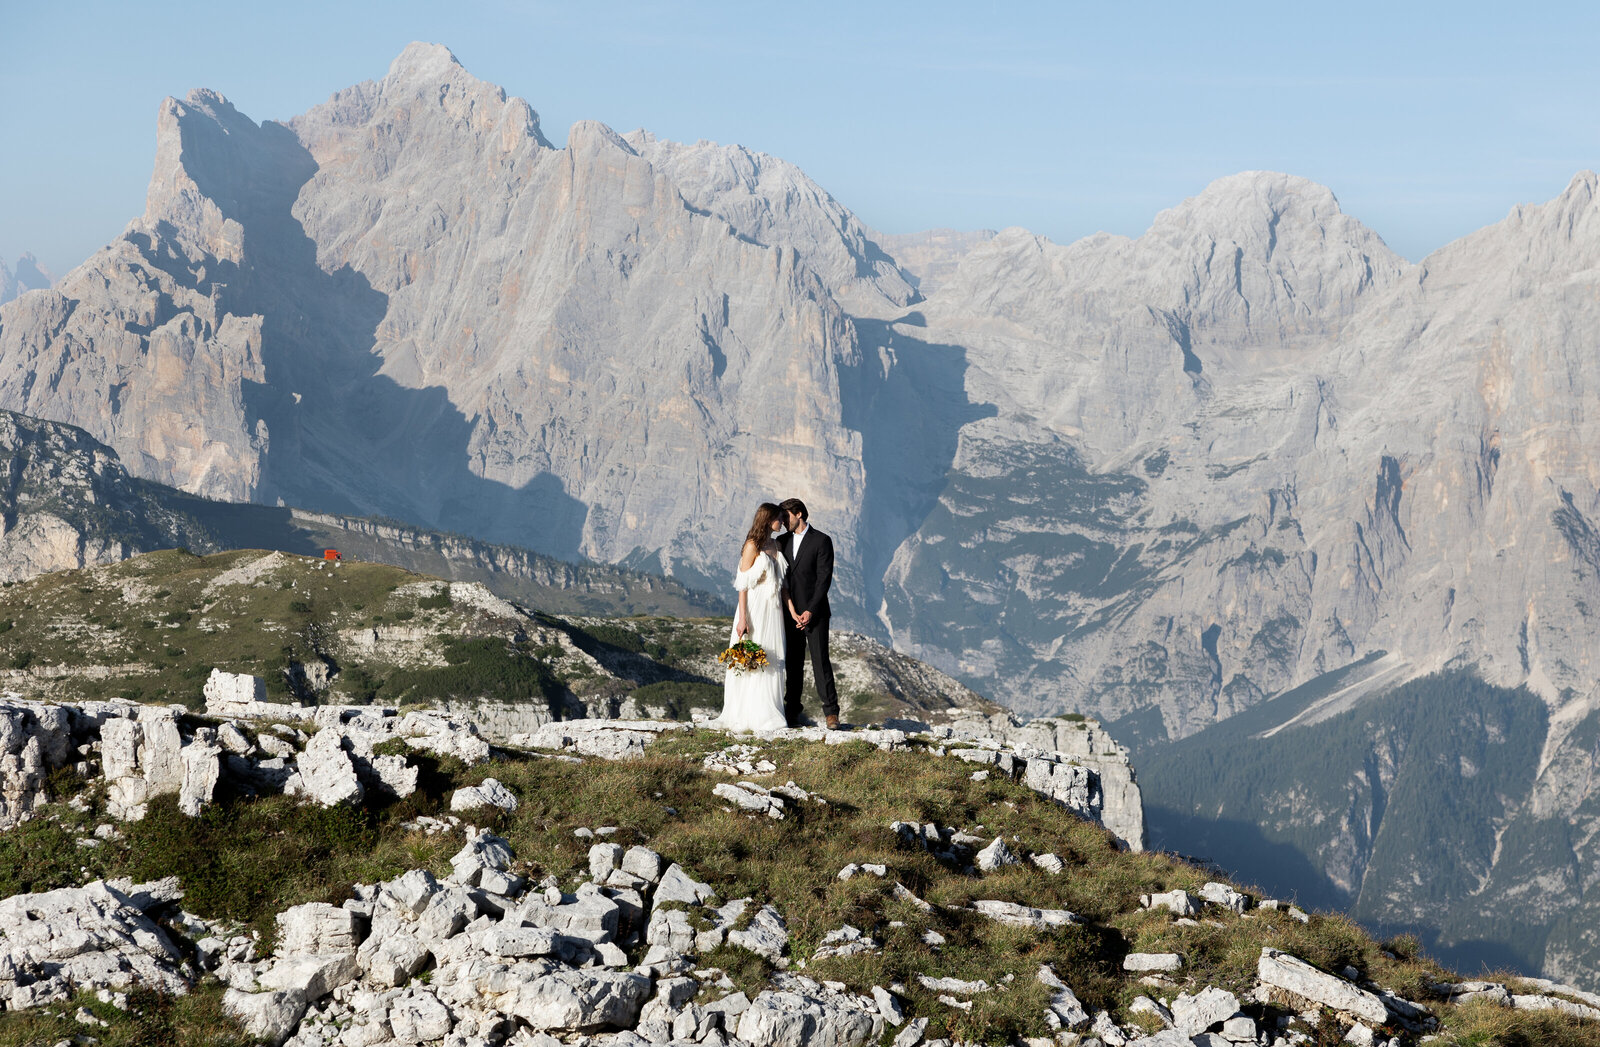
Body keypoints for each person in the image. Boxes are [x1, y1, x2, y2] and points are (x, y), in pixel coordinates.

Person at [709, 502, 790, 732]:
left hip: (773, 610)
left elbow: (782, 584)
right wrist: (743, 618)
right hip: (754, 608)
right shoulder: (751, 545)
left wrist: (791, 610)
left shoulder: (775, 544)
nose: (782, 522)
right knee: (751, 656)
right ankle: (746, 713)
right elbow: (742, 585)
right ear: (767, 519)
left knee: (770, 657)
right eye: (778, 518)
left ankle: (768, 711)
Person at [778, 497, 841, 730]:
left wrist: (810, 610)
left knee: (820, 661)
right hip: (790, 614)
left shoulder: (822, 540)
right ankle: (792, 711)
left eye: (786, 517)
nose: (783, 521)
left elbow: (824, 579)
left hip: (816, 613)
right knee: (793, 664)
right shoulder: (781, 541)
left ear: (799, 514)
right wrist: (793, 610)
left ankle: (831, 713)